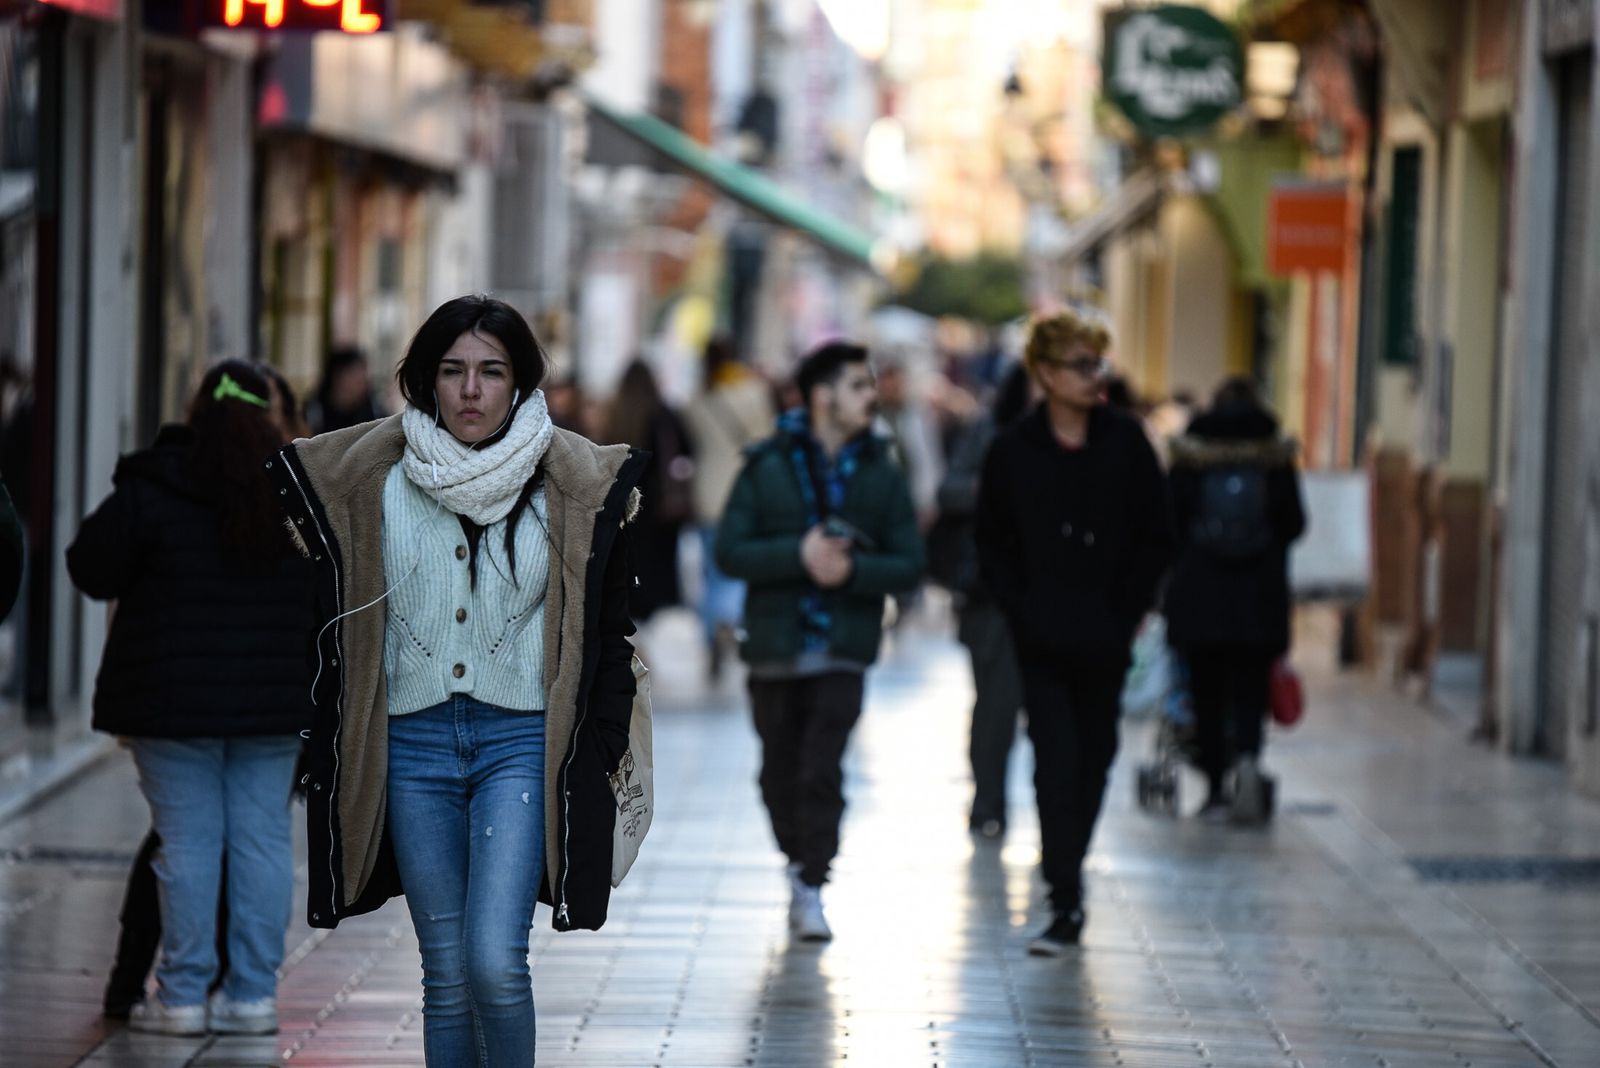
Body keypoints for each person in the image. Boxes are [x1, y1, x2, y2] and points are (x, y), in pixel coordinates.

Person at [265, 295, 644, 1066]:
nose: (471, 389)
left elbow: (608, 634)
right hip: (412, 743)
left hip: (519, 743)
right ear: (426, 382)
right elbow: (310, 614)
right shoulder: (376, 477)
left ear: (520, 384)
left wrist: (597, 738)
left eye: (491, 372)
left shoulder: (567, 484)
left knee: (493, 964)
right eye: (453, 371)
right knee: (444, 977)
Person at [66, 361, 316, 1036]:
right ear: (269, 413)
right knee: (263, 842)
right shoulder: (297, 494)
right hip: (273, 706)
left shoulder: (154, 484)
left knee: (187, 844)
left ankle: (179, 998)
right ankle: (252, 996)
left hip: (169, 702)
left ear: (195, 408)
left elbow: (88, 566)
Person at [976, 309, 1172, 956]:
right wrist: (1019, 607)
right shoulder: (1012, 450)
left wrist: (1131, 607)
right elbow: (992, 541)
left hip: (1107, 634)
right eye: (1082, 365)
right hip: (1041, 636)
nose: (1096, 377)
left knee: (1095, 758)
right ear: (1045, 374)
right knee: (1054, 761)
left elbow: (1156, 531)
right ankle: (1064, 893)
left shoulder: (1126, 441)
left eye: (1100, 363)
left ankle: (1069, 864)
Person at [716, 341, 924, 943]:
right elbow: (730, 550)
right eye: (859, 385)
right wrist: (797, 556)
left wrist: (854, 572)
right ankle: (797, 861)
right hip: (776, 648)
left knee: (821, 766)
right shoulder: (766, 465)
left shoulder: (883, 471)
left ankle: (813, 879)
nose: (871, 396)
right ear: (822, 395)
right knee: (777, 771)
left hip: (842, 647)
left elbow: (911, 563)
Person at [1164, 377, 1306, 823]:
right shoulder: (1274, 456)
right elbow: (1295, 523)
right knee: (1249, 689)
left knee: (1205, 693)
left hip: (1200, 597)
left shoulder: (1191, 455)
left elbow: (1168, 522)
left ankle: (1214, 788)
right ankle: (1247, 760)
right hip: (1257, 599)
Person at [928, 363, 1032, 840]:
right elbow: (949, 490)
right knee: (995, 701)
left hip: (1052, 597)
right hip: (989, 591)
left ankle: (1025, 805)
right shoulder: (989, 430)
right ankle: (989, 798)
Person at [682, 336, 775, 679]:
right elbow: (766, 442)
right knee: (737, 568)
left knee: (711, 569)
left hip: (707, 492)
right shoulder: (755, 393)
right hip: (745, 493)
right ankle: (729, 622)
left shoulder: (697, 399)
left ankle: (712, 633)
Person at [605, 358, 693, 622]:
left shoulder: (617, 416)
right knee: (660, 566)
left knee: (630, 559)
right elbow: (686, 451)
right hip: (660, 505)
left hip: (625, 501)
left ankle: (634, 607)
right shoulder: (663, 414)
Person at [306, 344, 383, 434]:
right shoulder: (314, 413)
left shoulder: (375, 411)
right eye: (356, 379)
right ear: (337, 378)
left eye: (364, 379)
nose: (363, 385)